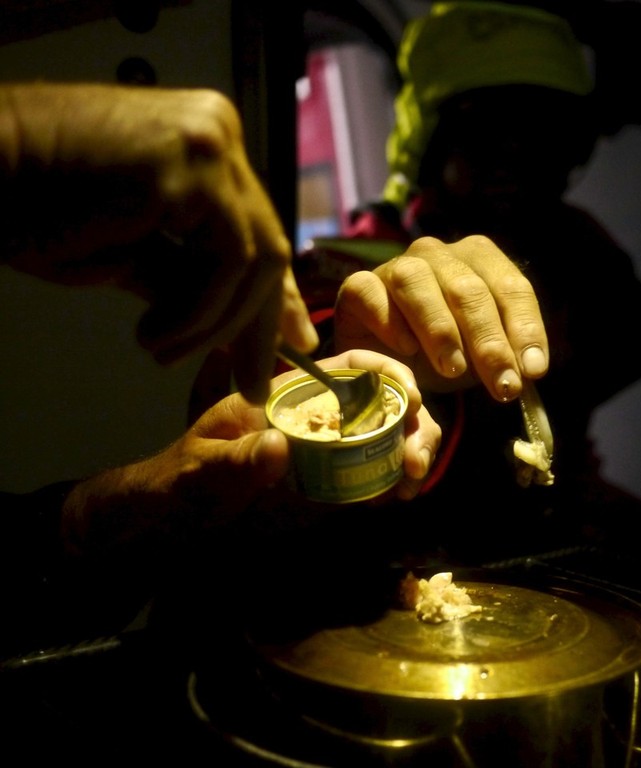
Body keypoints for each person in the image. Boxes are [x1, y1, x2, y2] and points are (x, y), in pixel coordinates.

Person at [0, 82, 550, 655]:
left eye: (541, 149)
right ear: (435, 150)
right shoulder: (361, 245)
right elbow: (308, 315)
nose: (512, 168)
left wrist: (117, 517)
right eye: (486, 143)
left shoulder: (582, 253)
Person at [307, 2, 641, 564]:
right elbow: (306, 359)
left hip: (558, 505)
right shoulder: (355, 258)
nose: (514, 155)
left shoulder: (577, 242)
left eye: (544, 133)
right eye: (484, 127)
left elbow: (639, 339)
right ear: (432, 141)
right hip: (401, 536)